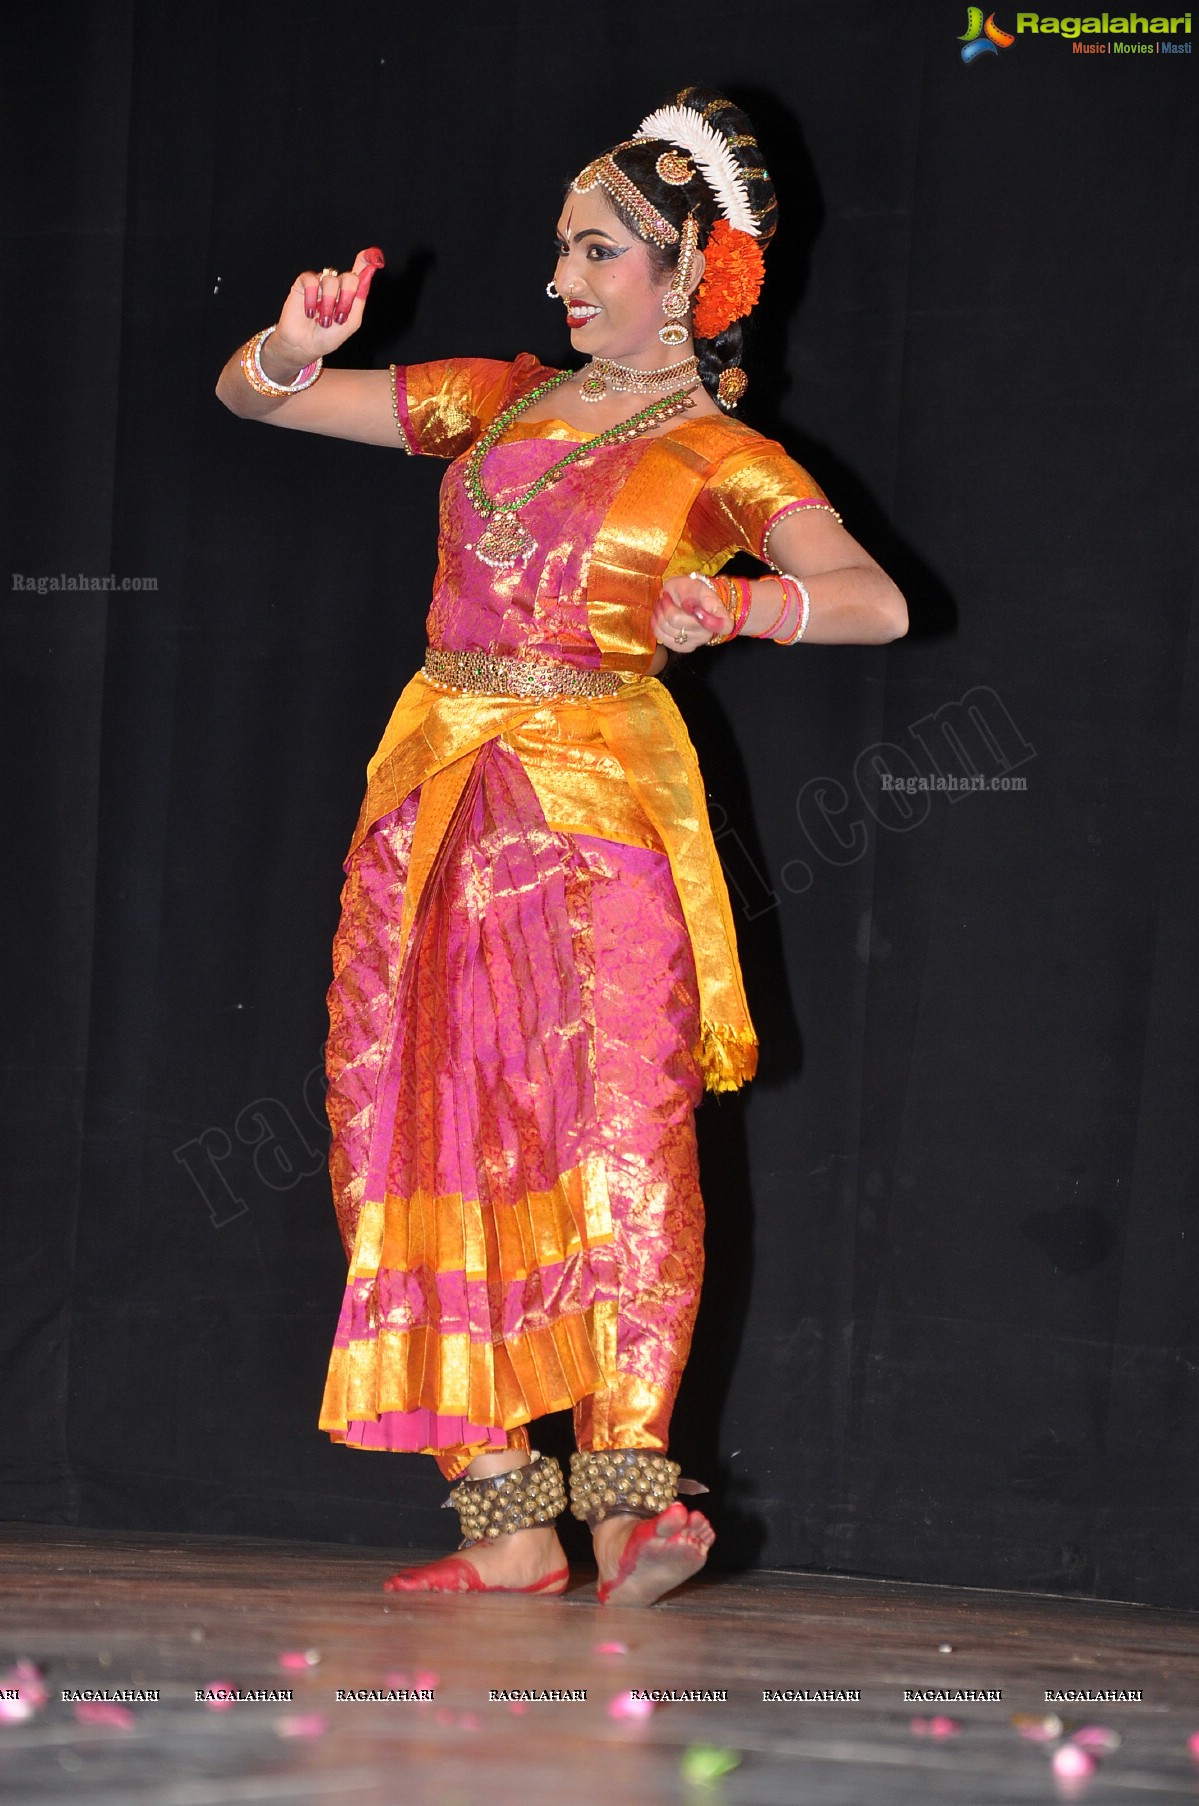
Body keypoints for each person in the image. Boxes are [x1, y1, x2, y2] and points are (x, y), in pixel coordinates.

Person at [215, 85, 907, 1608]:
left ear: (692, 277)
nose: (565, 282)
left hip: (600, 824)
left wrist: (737, 605)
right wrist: (290, 349)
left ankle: (631, 1499)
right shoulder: (499, 397)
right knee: (400, 1120)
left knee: (616, 1132)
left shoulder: (724, 457)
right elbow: (257, 401)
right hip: (434, 806)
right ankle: (503, 1518)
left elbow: (874, 598)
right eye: (561, 253)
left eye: (598, 253)